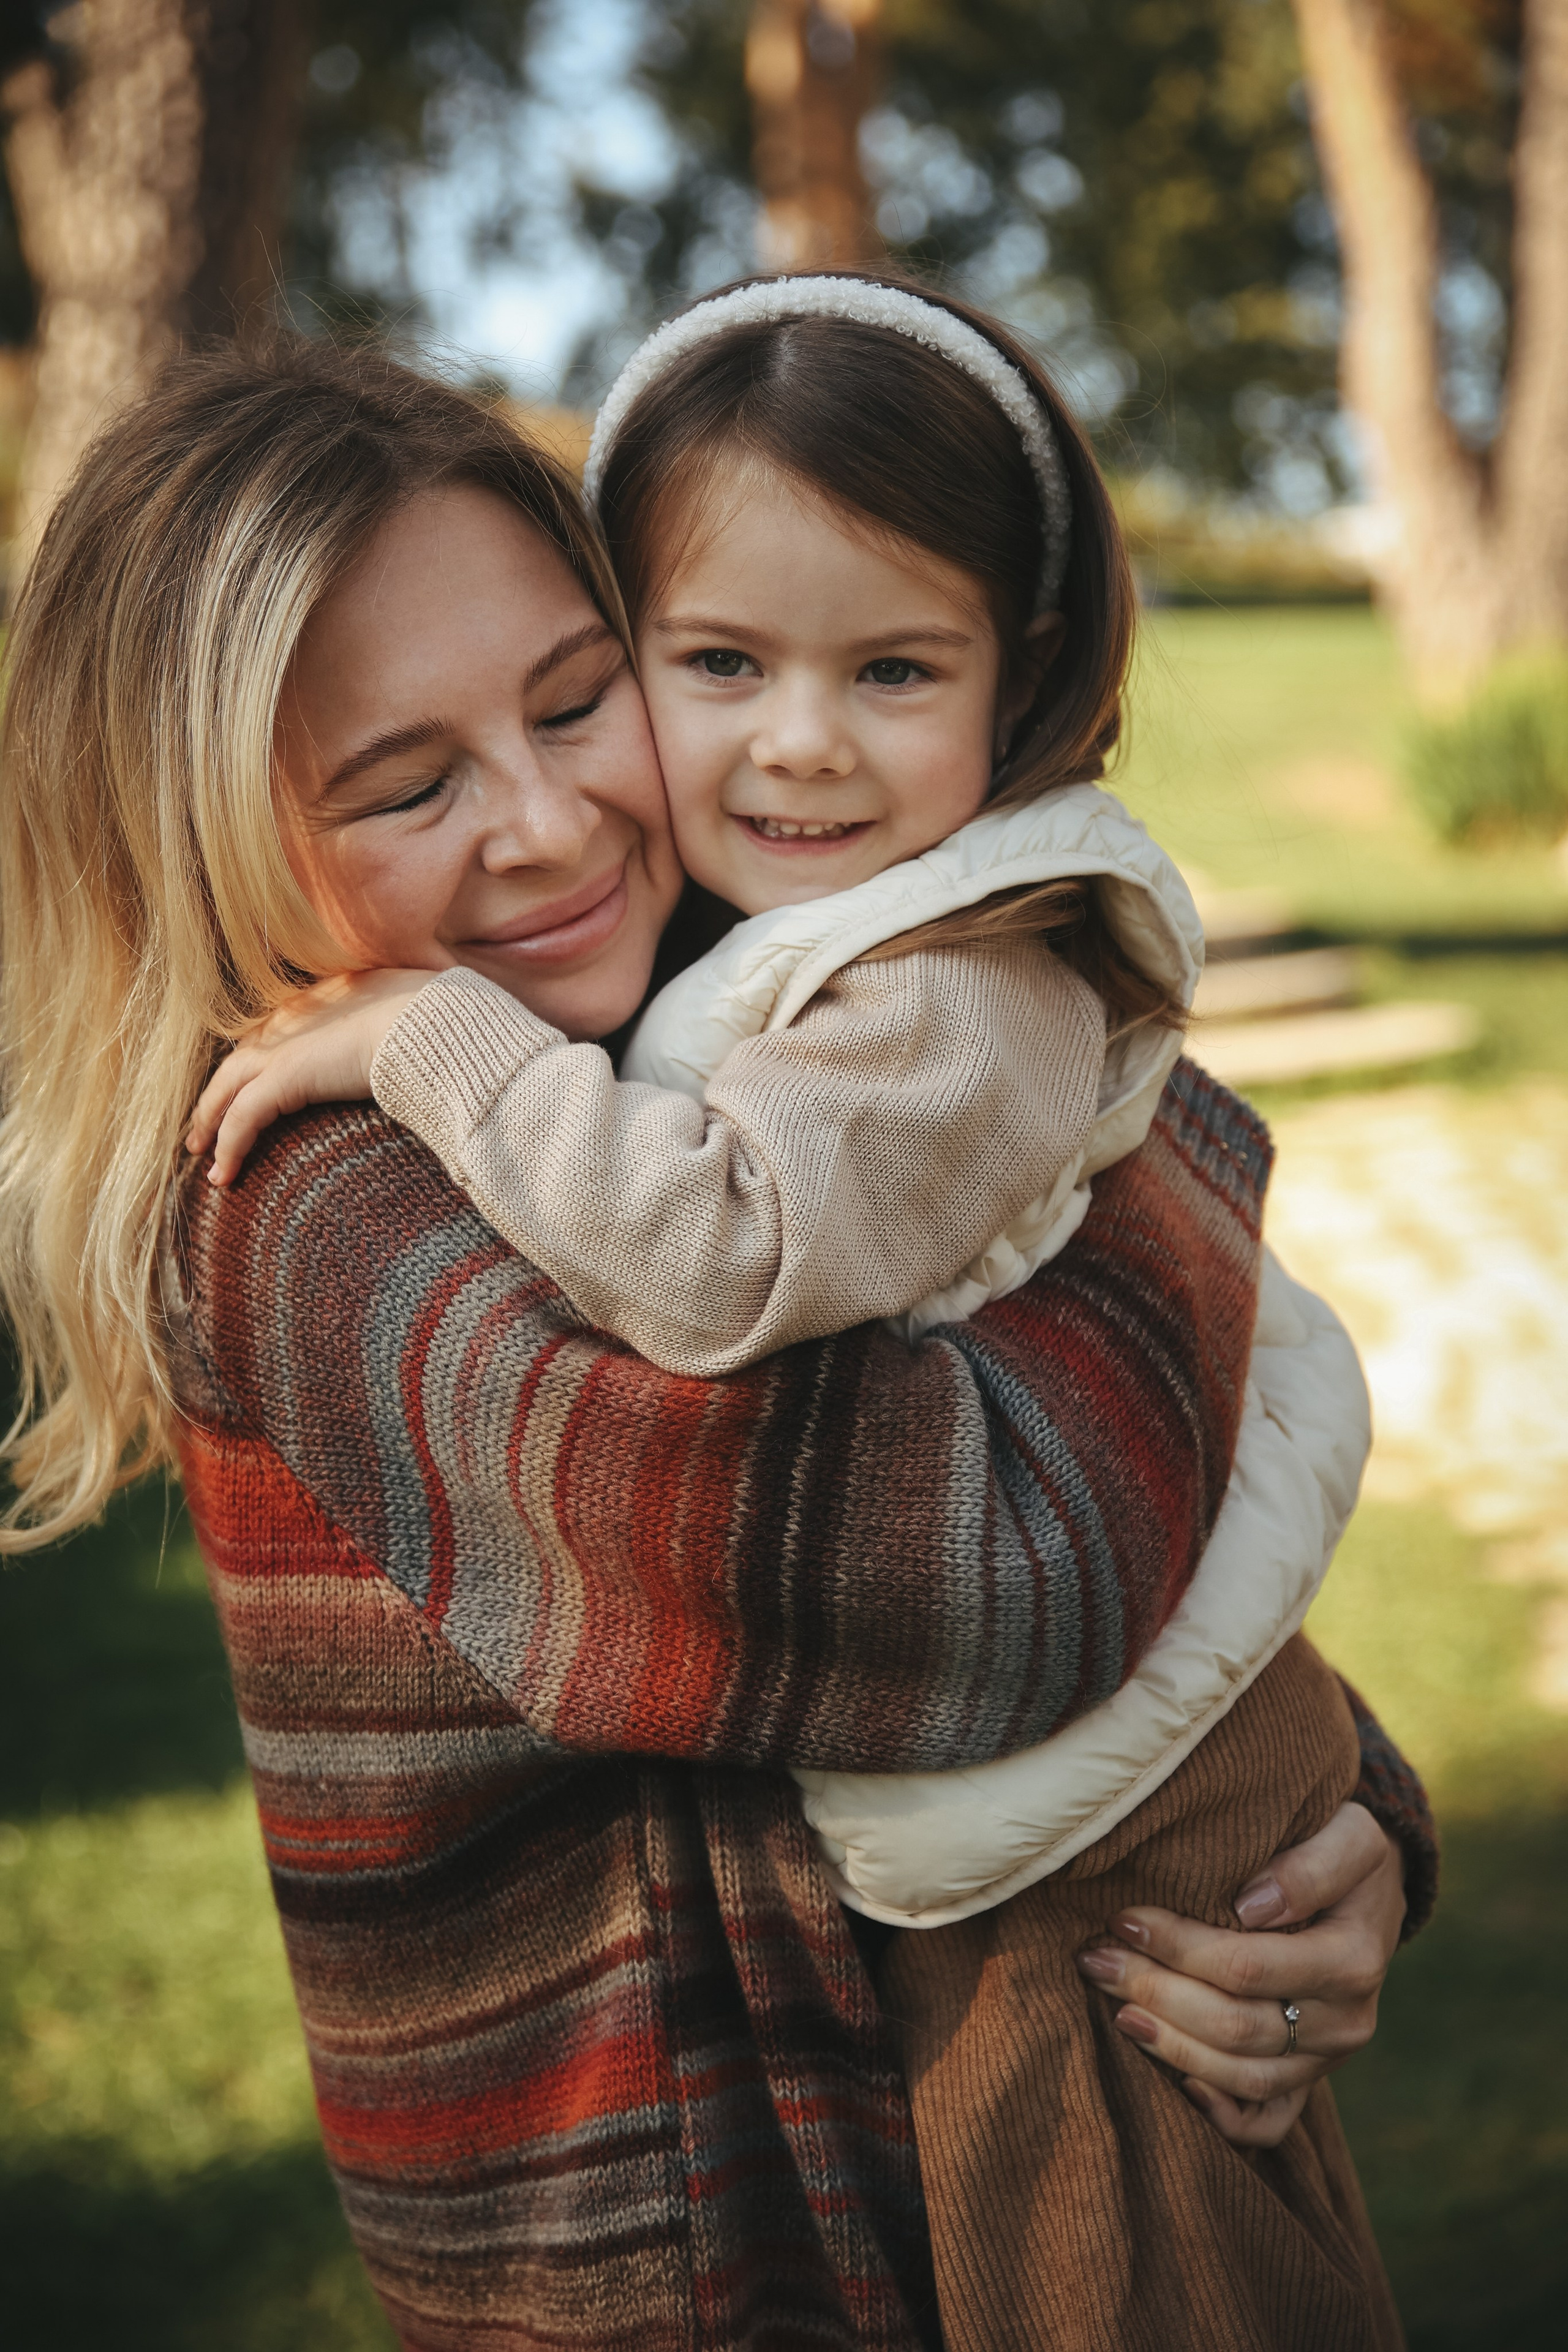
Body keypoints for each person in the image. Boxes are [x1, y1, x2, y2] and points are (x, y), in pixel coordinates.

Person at [0, 334, 1435, 2352]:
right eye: (409, 785)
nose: (550, 822)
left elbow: (1061, 1350)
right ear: (201, 847)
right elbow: (986, 1584)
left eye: (580, 700)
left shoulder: (660, 1026)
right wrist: (1173, 1164)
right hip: (698, 2245)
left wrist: (1333, 1828)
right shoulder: (318, 1201)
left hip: (1001, 2101)